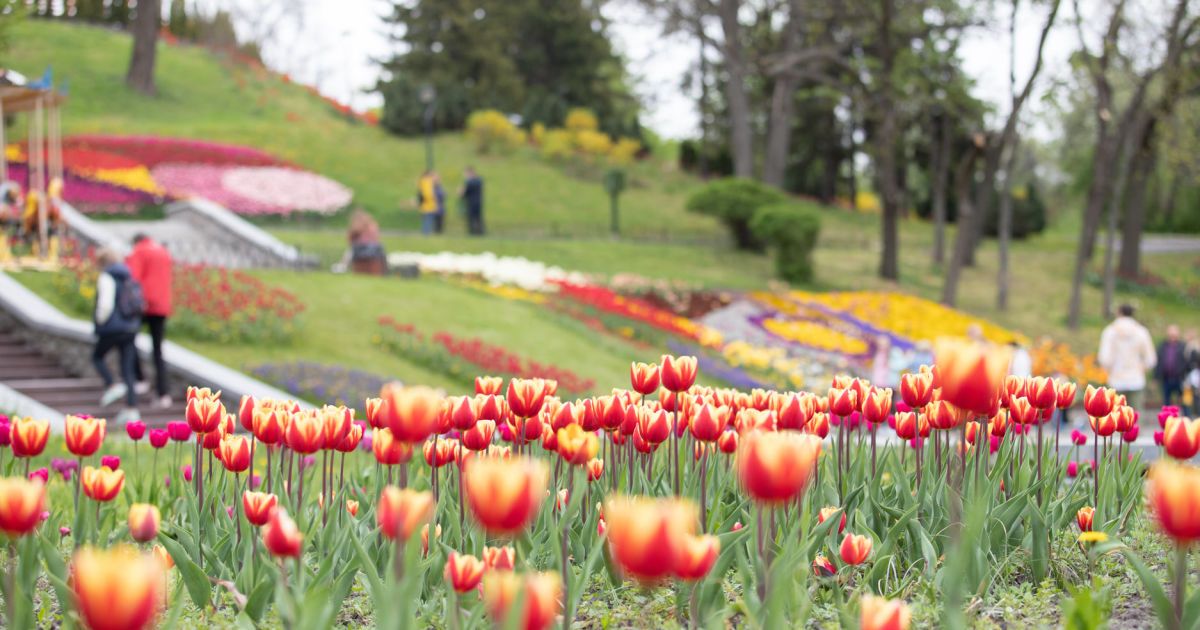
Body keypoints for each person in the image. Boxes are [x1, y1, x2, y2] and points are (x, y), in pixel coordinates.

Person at [93, 248, 143, 424]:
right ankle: (132, 409)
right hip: (130, 327)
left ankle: (111, 384)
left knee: (97, 356)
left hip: (112, 327)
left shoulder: (107, 277)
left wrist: (99, 321)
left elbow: (105, 304)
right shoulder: (128, 275)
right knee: (128, 369)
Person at [126, 234, 173, 409]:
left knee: (129, 339)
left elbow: (132, 278)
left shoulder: (139, 251)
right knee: (158, 350)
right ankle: (163, 393)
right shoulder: (162, 251)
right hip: (162, 305)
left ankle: (140, 379)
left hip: (144, 304)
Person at [1097, 304, 1157, 411]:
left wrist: (1109, 369)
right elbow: (1150, 359)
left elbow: (1104, 358)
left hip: (1116, 378)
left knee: (1116, 415)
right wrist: (1142, 368)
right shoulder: (1141, 332)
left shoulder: (1110, 332)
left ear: (1119, 313)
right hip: (1136, 378)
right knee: (1135, 416)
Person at [346, 209, 386, 274]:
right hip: (371, 252)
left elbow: (350, 240)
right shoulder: (371, 225)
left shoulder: (360, 226)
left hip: (365, 252)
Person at [1157, 325, 1188, 407]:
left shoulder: (1183, 345)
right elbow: (1159, 360)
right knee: (1166, 401)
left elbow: (1187, 361)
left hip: (1180, 378)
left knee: (1183, 401)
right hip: (1166, 378)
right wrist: (1157, 375)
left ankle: (1186, 418)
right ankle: (1168, 418)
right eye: (1171, 332)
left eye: (1174, 332)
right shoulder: (1162, 345)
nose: (1172, 335)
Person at [416, 170, 446, 235]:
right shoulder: (426, 182)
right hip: (429, 205)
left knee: (428, 220)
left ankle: (426, 233)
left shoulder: (424, 182)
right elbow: (428, 194)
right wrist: (434, 200)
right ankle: (426, 234)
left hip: (427, 205)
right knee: (428, 220)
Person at [460, 167, 485, 236]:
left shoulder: (470, 182)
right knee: (478, 218)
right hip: (478, 202)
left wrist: (461, 191)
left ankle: (474, 232)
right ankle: (479, 231)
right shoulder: (479, 180)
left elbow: (464, 193)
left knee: (472, 218)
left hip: (471, 203)